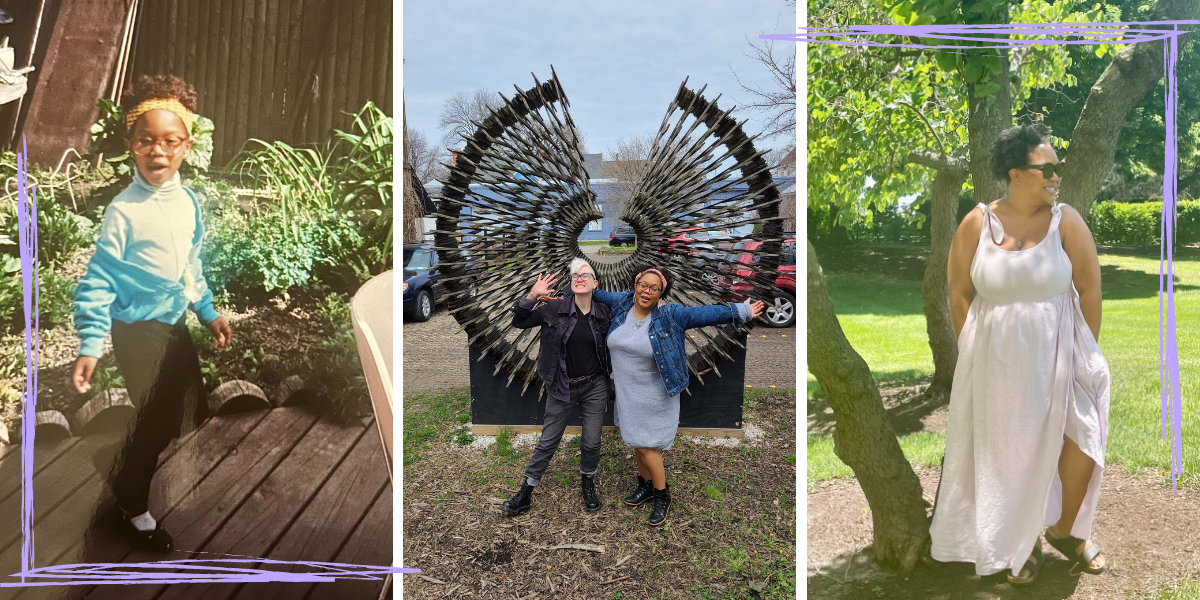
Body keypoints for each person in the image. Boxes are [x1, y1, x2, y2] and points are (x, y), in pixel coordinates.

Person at [930, 123, 1110, 585]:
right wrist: (974, 348)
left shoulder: (1064, 220)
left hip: (1061, 353)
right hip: (999, 362)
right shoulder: (978, 223)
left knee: (1082, 439)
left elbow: (1089, 290)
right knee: (1012, 450)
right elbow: (958, 291)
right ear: (1015, 173)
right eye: (1046, 168)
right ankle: (1024, 541)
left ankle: (1065, 529)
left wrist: (1082, 352)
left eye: (1058, 169)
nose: (1056, 177)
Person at [71, 74, 232, 553]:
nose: (157, 152)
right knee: (155, 421)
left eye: (169, 141)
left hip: (173, 324)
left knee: (192, 408)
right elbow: (98, 278)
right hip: (136, 330)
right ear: (130, 145)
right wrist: (90, 343)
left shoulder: (187, 202)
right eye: (146, 141)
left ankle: (117, 458)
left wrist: (206, 310)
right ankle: (131, 507)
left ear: (186, 145)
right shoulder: (123, 212)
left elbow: (190, 264)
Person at [593, 267, 764, 526]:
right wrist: (566, 293)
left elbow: (705, 314)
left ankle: (662, 495)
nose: (646, 291)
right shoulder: (622, 303)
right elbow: (595, 294)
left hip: (655, 395)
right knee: (636, 443)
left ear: (662, 293)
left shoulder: (671, 314)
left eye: (654, 288)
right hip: (628, 393)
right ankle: (647, 486)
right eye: (643, 285)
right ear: (635, 285)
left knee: (649, 447)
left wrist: (741, 310)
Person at [500, 257, 611, 517]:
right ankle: (526, 491)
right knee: (548, 440)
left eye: (586, 275)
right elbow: (518, 321)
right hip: (562, 386)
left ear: (595, 283)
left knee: (592, 441)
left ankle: (588, 482)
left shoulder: (604, 313)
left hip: (594, 385)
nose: (579, 278)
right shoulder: (553, 309)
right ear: (571, 283)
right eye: (575, 275)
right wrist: (532, 295)